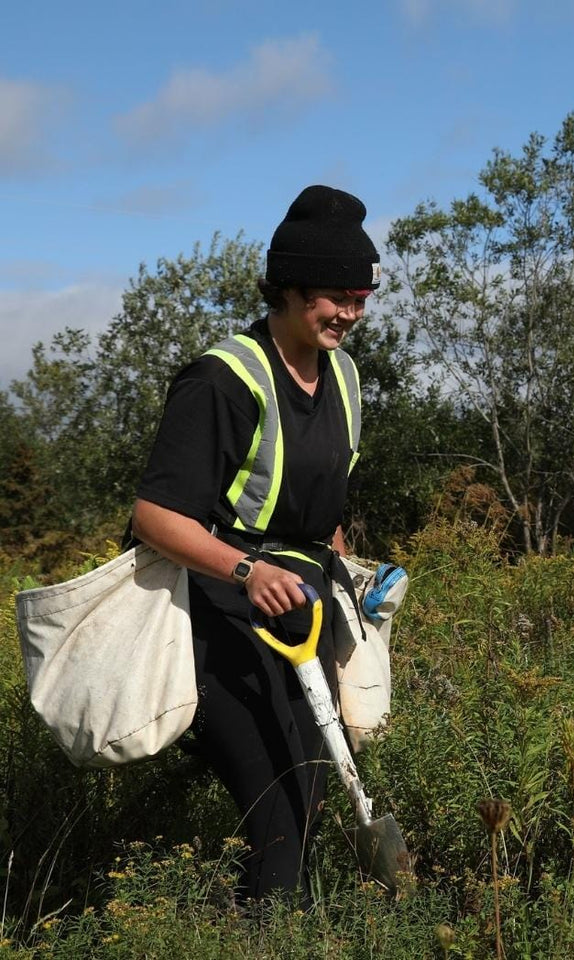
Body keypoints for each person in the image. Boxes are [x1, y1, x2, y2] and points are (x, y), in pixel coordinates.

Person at [131, 185, 380, 904]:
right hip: (210, 606)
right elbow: (154, 515)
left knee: (309, 791)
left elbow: (317, 506)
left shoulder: (345, 377)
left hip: (300, 609)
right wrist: (246, 569)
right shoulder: (221, 379)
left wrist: (355, 574)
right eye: (338, 296)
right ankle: (261, 934)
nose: (352, 314)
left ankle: (252, 922)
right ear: (290, 287)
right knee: (282, 800)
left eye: (362, 297)